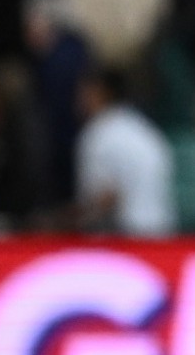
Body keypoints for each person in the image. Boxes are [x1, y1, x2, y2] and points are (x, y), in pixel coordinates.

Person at [69, 67, 177, 236]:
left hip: (127, 237)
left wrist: (65, 223)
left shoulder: (98, 134)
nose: (78, 99)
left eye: (83, 93)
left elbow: (106, 199)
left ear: (100, 93)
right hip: (163, 231)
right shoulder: (145, 128)